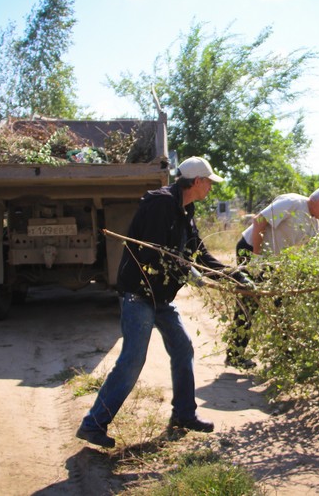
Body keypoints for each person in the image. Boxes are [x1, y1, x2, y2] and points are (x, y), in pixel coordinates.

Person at [76, 156, 252, 448]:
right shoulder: (159, 204)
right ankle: (93, 424)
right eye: (209, 182)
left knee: (183, 349)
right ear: (197, 182)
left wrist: (232, 276)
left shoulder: (186, 209)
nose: (211, 188)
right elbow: (154, 254)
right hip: (139, 294)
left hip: (160, 297)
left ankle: (184, 414)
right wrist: (186, 270)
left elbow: (199, 251)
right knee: (133, 360)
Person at [226, 185, 319, 369]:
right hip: (251, 249)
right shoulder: (293, 204)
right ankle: (234, 355)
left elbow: (313, 253)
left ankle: (285, 356)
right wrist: (256, 259)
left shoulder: (313, 224)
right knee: (249, 301)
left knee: (284, 303)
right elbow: (259, 221)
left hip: (272, 261)